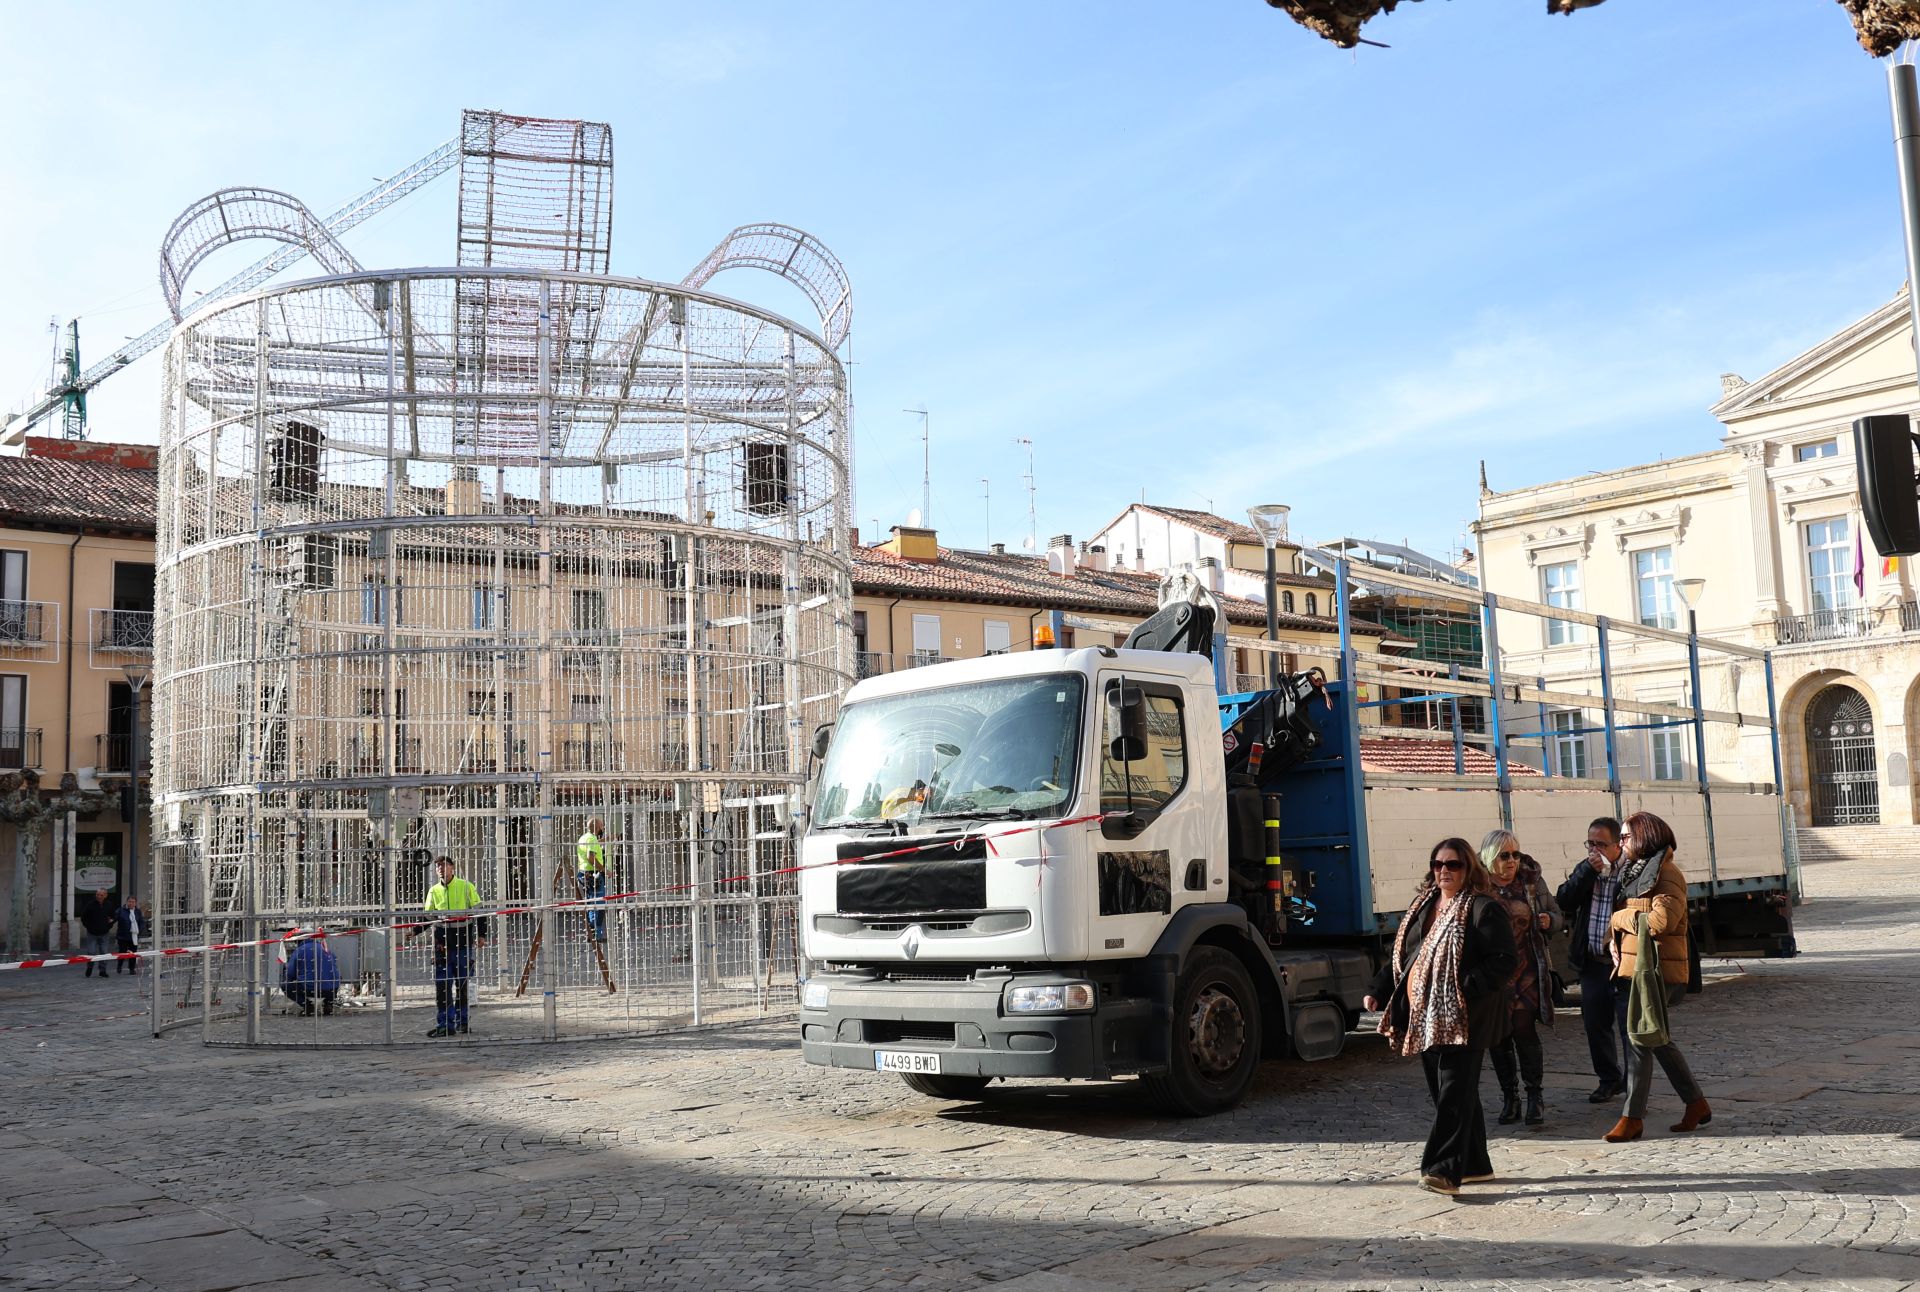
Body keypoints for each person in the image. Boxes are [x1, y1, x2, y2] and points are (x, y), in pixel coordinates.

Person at [1365, 837, 1519, 1195]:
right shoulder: (1425, 904)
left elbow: (1504, 961)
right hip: (1427, 1015)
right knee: (1449, 1092)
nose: (1444, 871)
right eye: (1438, 864)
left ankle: (1444, 1171)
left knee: (1453, 1093)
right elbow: (1405, 954)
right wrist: (1378, 988)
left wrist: (1463, 986)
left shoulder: (1483, 908)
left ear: (1469, 868)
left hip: (1465, 1017)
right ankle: (1476, 1165)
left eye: (1453, 865)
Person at [1604, 811, 1711, 1142]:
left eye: (1625, 837)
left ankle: (1632, 1118)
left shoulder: (1666, 873)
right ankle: (1696, 1104)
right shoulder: (1639, 871)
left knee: (1639, 1037)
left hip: (1657, 971)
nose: (1621, 843)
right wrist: (1615, 938)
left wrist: (1620, 917)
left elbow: (1662, 921)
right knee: (1657, 1038)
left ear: (1644, 837)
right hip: (1639, 969)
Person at [1481, 829, 1561, 1128]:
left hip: (1527, 969)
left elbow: (1557, 914)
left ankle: (1534, 1097)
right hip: (1494, 974)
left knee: (1523, 1029)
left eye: (1515, 854)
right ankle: (1509, 1097)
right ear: (1491, 857)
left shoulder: (1530, 882)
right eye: (1505, 855)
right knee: (1498, 1036)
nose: (1512, 860)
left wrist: (1549, 920)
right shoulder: (1478, 886)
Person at [1557, 816, 1633, 1103]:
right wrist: (1587, 873)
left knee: (1629, 1029)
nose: (1595, 849)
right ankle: (1608, 1080)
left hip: (1624, 963)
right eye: (1590, 843)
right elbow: (1563, 900)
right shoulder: (1586, 867)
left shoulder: (1631, 871)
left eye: (1601, 844)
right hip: (1593, 962)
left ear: (1618, 844)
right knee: (1595, 1025)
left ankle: (1633, 1085)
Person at [407, 856, 489, 1037]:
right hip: (442, 946)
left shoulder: (466, 887)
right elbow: (428, 917)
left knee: (463, 986)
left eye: (444, 865)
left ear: (452, 867)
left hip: (463, 944)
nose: (440, 869)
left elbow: (480, 912)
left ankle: (463, 1022)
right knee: (442, 987)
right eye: (437, 866)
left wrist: (482, 935)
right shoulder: (434, 891)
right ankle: (445, 1024)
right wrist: (414, 931)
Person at [282, 930, 343, 1016]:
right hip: (331, 988)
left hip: (311, 988)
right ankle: (329, 1003)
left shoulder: (299, 951)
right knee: (334, 979)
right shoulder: (325, 948)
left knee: (285, 985)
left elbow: (290, 974)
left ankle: (307, 1006)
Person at [577, 817, 608, 942]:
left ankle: (591, 933)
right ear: (597, 828)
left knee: (591, 903)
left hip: (584, 874)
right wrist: (604, 870)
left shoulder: (584, 837)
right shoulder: (591, 839)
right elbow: (591, 857)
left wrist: (604, 840)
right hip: (593, 875)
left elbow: (591, 846)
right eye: (602, 826)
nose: (603, 829)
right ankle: (596, 934)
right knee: (598, 905)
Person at [77, 889, 119, 979]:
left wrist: (111, 922)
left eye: (101, 895)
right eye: (97, 895)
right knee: (91, 952)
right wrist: (88, 926)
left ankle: (102, 971)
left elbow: (114, 916)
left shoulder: (109, 905)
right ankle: (90, 967)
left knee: (104, 952)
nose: (99, 896)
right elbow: (84, 917)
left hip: (104, 933)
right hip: (92, 933)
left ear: (105, 896)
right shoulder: (90, 905)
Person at [114, 895, 149, 975]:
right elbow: (114, 918)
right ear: (127, 902)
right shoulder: (121, 910)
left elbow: (141, 922)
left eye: (133, 902)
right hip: (122, 935)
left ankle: (132, 968)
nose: (131, 903)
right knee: (122, 952)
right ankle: (119, 966)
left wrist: (138, 931)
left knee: (133, 953)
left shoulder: (138, 911)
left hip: (134, 936)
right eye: (129, 901)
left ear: (135, 903)